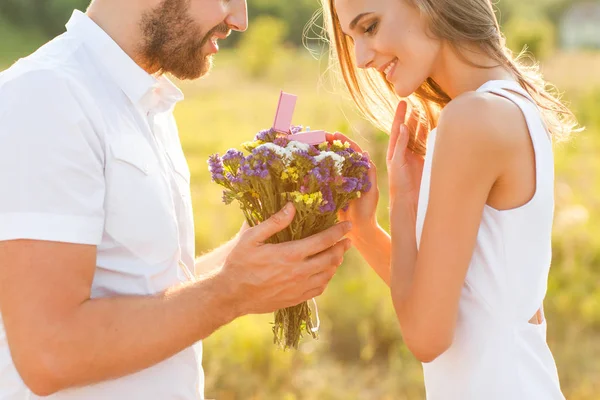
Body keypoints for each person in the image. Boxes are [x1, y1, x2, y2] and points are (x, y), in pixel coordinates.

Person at [0, 0, 353, 398]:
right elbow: (49, 353)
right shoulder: (46, 95)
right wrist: (230, 292)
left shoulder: (147, 101)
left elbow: (150, 288)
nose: (240, 20)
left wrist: (256, 246)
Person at [321, 0, 578, 399]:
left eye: (369, 27)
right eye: (351, 38)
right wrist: (363, 231)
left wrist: (403, 204)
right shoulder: (506, 104)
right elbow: (464, 304)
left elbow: (427, 336)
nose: (360, 58)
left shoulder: (473, 118)